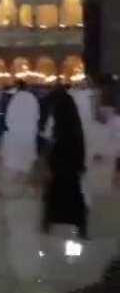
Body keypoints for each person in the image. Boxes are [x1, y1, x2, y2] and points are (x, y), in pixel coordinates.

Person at [42, 86, 88, 238]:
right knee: (74, 195)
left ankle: (47, 225)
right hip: (72, 166)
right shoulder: (75, 127)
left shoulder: (59, 127)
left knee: (54, 195)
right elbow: (80, 148)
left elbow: (52, 146)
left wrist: (49, 163)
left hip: (60, 166)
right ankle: (81, 228)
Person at [2, 81, 40, 173]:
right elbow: (37, 115)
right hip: (29, 129)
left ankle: (17, 174)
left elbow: (9, 116)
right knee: (27, 154)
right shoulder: (32, 98)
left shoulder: (14, 99)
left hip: (16, 130)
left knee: (16, 155)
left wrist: (9, 126)